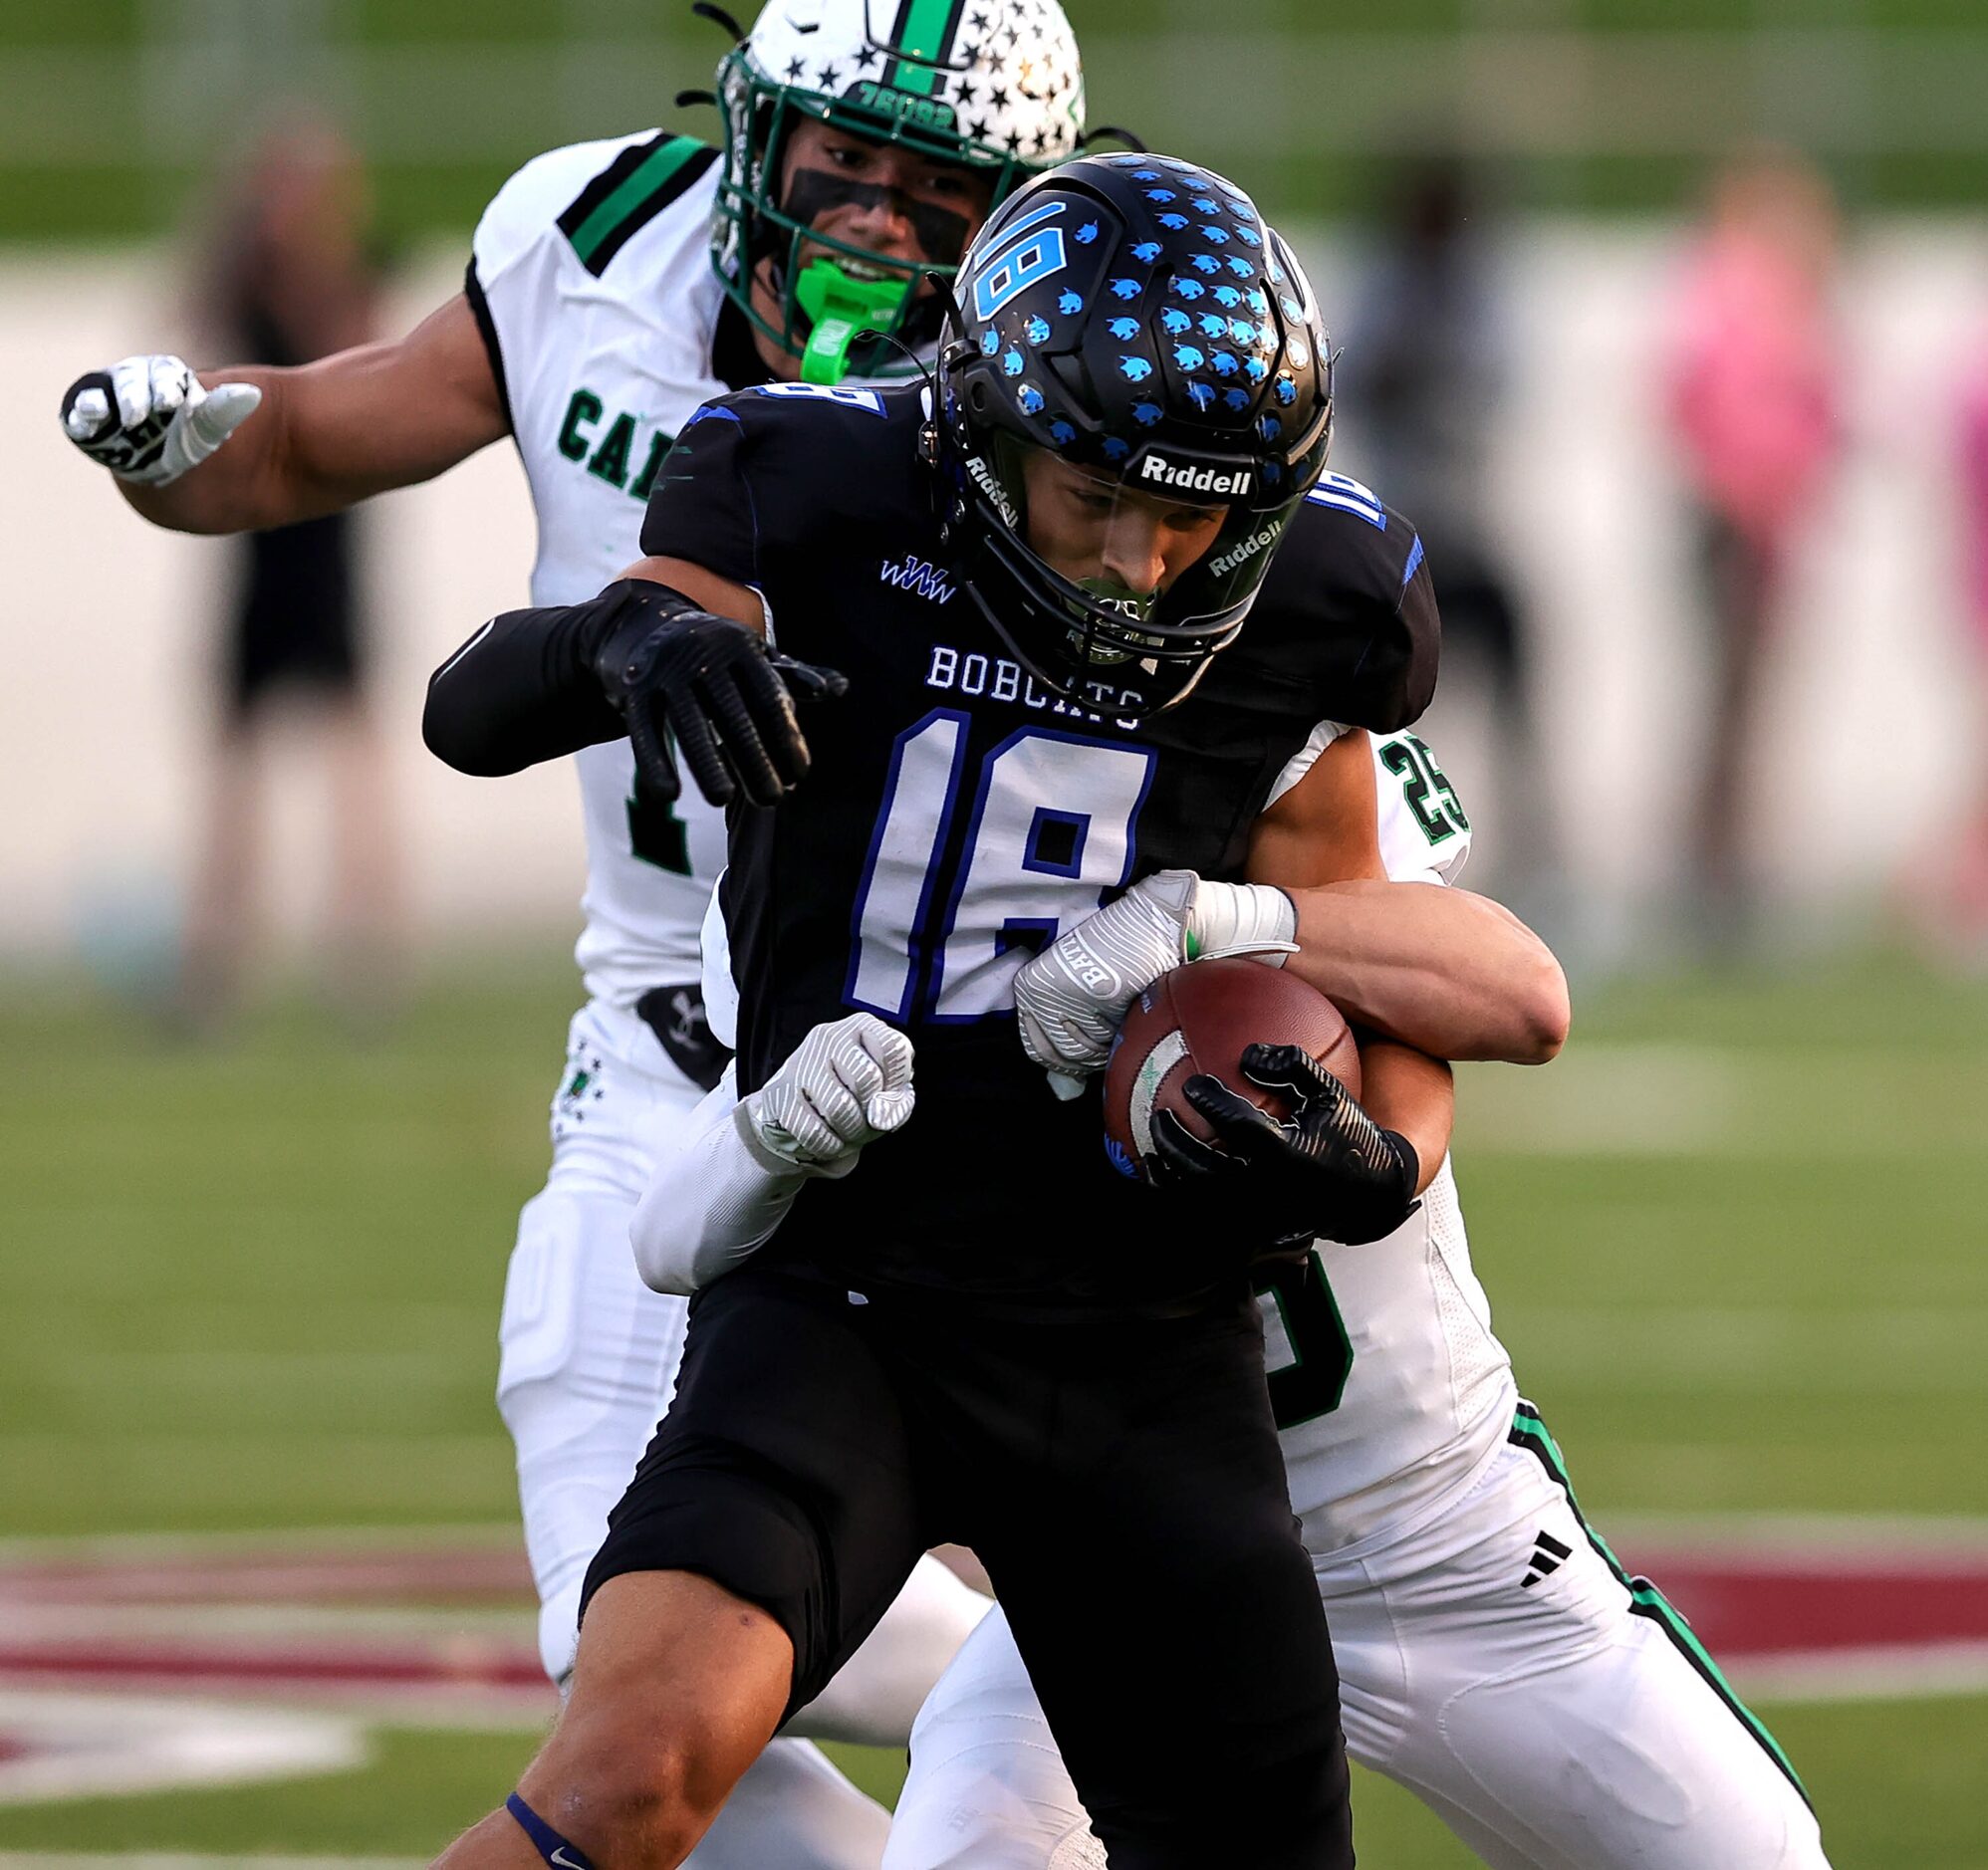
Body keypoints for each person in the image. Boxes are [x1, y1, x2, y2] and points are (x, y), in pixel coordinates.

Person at [419, 150, 1568, 1870]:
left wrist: (1367, 1158)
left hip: (1139, 1331)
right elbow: (465, 711)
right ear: (978, 429)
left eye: (1189, 518)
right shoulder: (803, 480)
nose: (1132, 560)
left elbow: (1353, 957)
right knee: (632, 1774)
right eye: (1091, 493)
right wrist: (626, 650)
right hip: (843, 1283)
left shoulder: (1320, 605)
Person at [58, 3, 1094, 1859]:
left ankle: (1086, 1709)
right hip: (662, 1053)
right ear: (750, 141)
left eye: (934, 195)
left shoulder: (1062, 376)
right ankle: (1071, 1712)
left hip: (937, 1077)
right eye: (841, 169)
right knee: (616, 1654)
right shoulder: (592, 243)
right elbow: (307, 440)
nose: (870, 229)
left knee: (726, 1673)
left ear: (1013, 217)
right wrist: (177, 447)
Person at [857, 729, 1830, 1870]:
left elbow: (1507, 997)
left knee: (1754, 1858)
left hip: (1437, 1516)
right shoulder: (914, 853)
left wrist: (1236, 937)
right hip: (1136, 1548)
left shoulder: (1277, 730)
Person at [184, 117, 404, 1029]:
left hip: (330, 558)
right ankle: (215, 959)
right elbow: (190, 352)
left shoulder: (346, 277)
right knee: (235, 767)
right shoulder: (239, 286)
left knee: (355, 760)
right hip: (255, 560)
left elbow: (358, 360)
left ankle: (368, 957)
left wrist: (321, 250)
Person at [1664, 147, 1842, 948]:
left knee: (1741, 707)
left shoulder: (1760, 294)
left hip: (1761, 526)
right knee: (1729, 707)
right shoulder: (1737, 292)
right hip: (1736, 525)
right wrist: (1749, 497)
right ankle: (1714, 880)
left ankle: (1726, 874)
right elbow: (1708, 407)